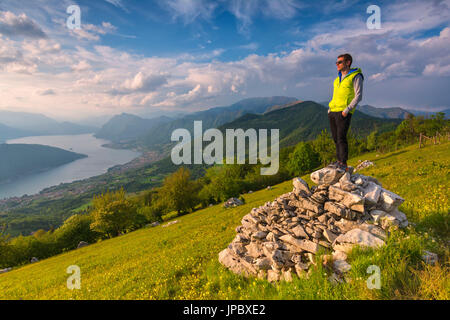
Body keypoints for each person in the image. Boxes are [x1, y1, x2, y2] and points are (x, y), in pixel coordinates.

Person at [327, 53, 364, 172]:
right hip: (333, 111)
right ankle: (338, 161)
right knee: (335, 138)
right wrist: (330, 109)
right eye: (336, 62)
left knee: (341, 137)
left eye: (340, 62)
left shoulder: (356, 76)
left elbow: (358, 96)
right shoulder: (337, 79)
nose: (337, 64)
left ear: (348, 62)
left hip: (343, 112)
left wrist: (347, 110)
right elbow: (335, 95)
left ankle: (343, 163)